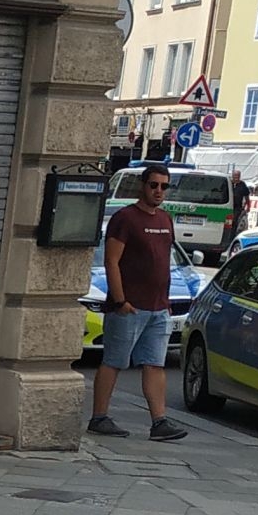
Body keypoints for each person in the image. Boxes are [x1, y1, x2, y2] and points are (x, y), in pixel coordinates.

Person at [90, 169, 189, 442]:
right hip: (129, 307)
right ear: (142, 186)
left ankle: (159, 422)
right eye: (154, 185)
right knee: (114, 361)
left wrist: (166, 301)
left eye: (164, 186)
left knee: (155, 364)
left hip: (159, 308)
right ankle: (99, 417)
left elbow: (163, 262)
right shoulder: (125, 219)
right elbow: (111, 261)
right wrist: (120, 301)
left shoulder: (166, 219)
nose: (159, 191)